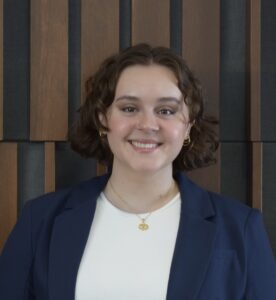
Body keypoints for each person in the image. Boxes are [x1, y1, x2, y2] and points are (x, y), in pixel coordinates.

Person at [0, 44, 275, 300]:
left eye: (166, 110)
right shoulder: (40, 220)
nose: (147, 124)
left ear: (188, 125)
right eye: (129, 108)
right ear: (102, 118)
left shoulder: (240, 228)